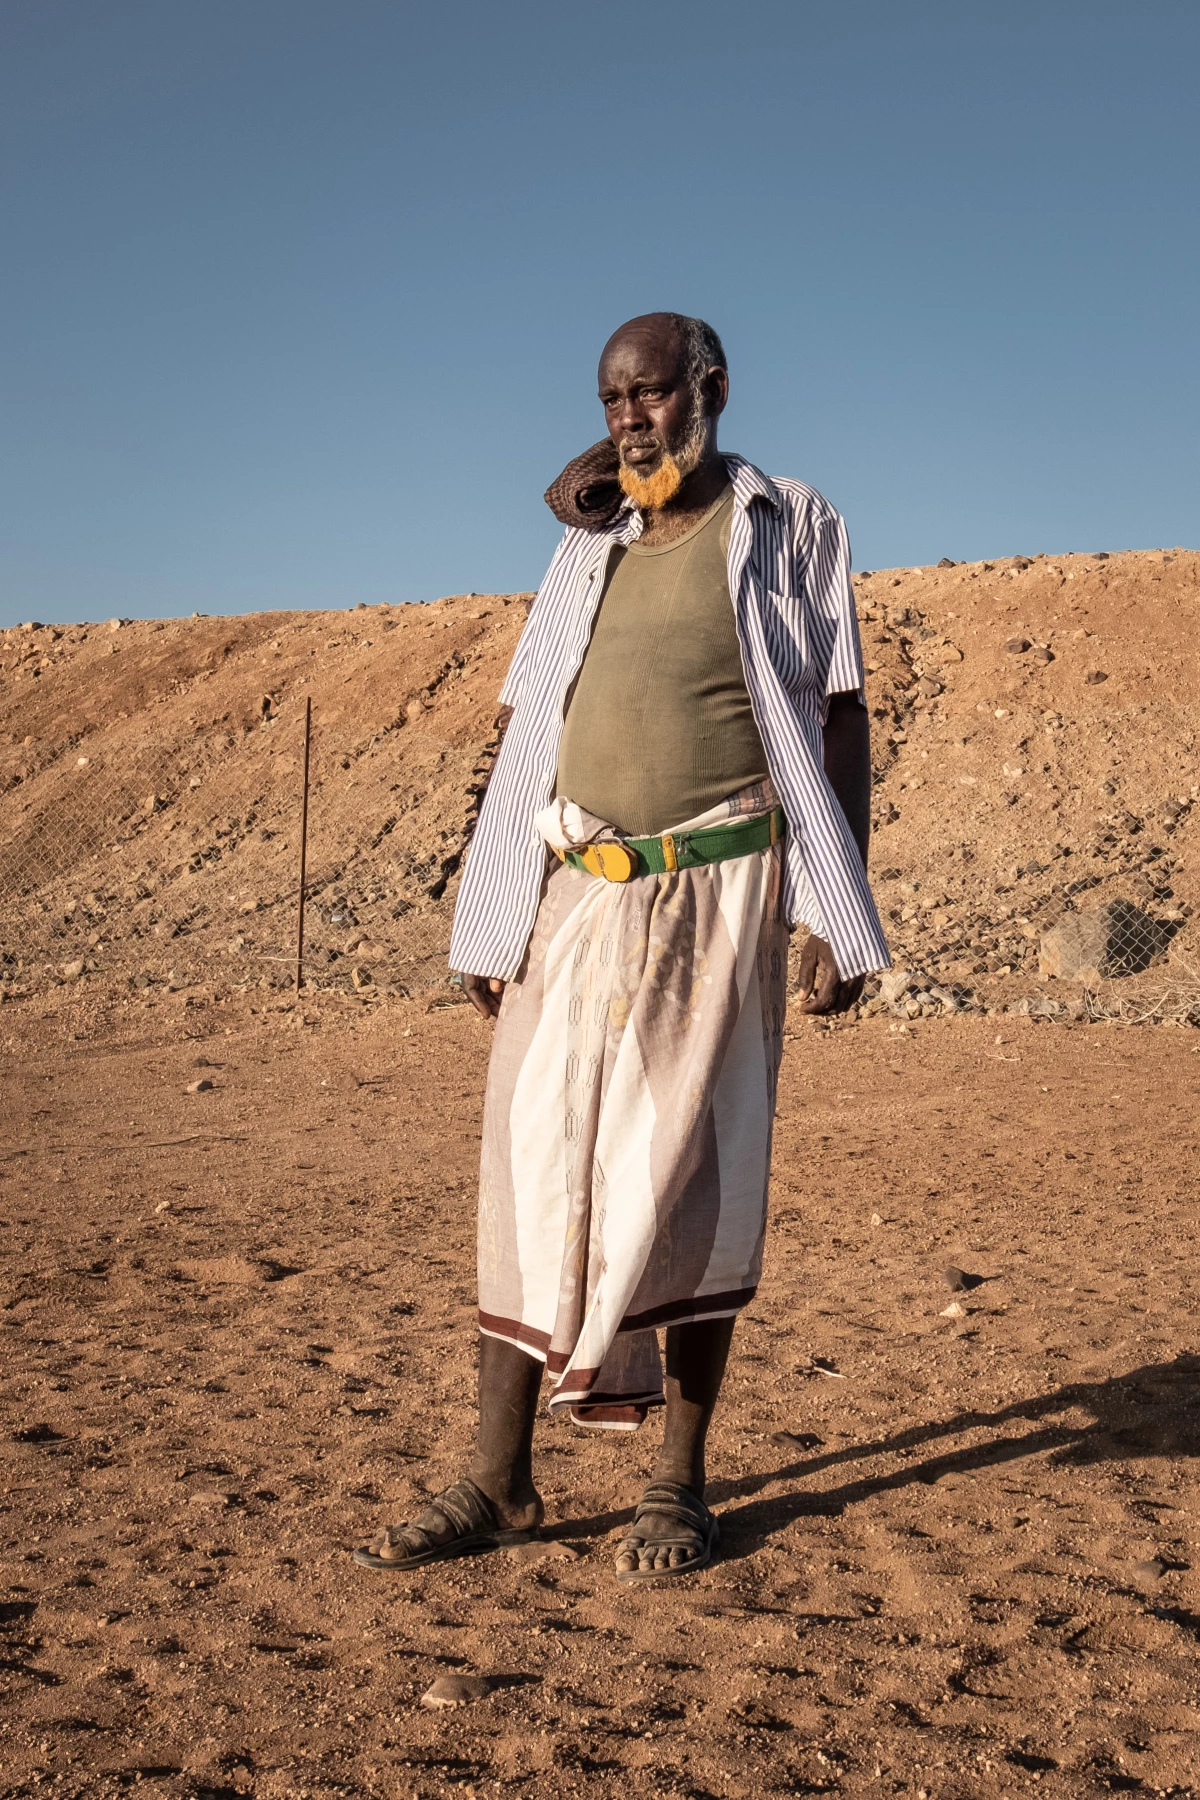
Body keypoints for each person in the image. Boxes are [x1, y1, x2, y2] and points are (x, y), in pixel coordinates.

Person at [356, 312, 889, 1583]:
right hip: (576, 890)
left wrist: (838, 905)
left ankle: (677, 1485)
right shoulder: (584, 544)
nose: (629, 417)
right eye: (610, 401)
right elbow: (530, 721)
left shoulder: (792, 525)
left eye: (650, 393)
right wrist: (493, 905)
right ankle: (499, 1481)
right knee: (528, 1168)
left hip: (719, 887)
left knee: (691, 1178)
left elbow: (842, 714)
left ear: (712, 389)